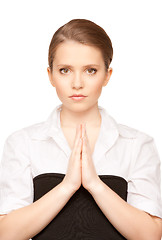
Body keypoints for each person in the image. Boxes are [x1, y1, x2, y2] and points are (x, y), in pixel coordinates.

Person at [0, 18, 162, 240]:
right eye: (65, 70)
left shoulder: (137, 144)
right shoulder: (22, 143)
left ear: (107, 75)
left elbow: (150, 235)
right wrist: (67, 185)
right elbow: (6, 233)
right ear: (50, 75)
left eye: (90, 70)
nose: (77, 83)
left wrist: (96, 185)